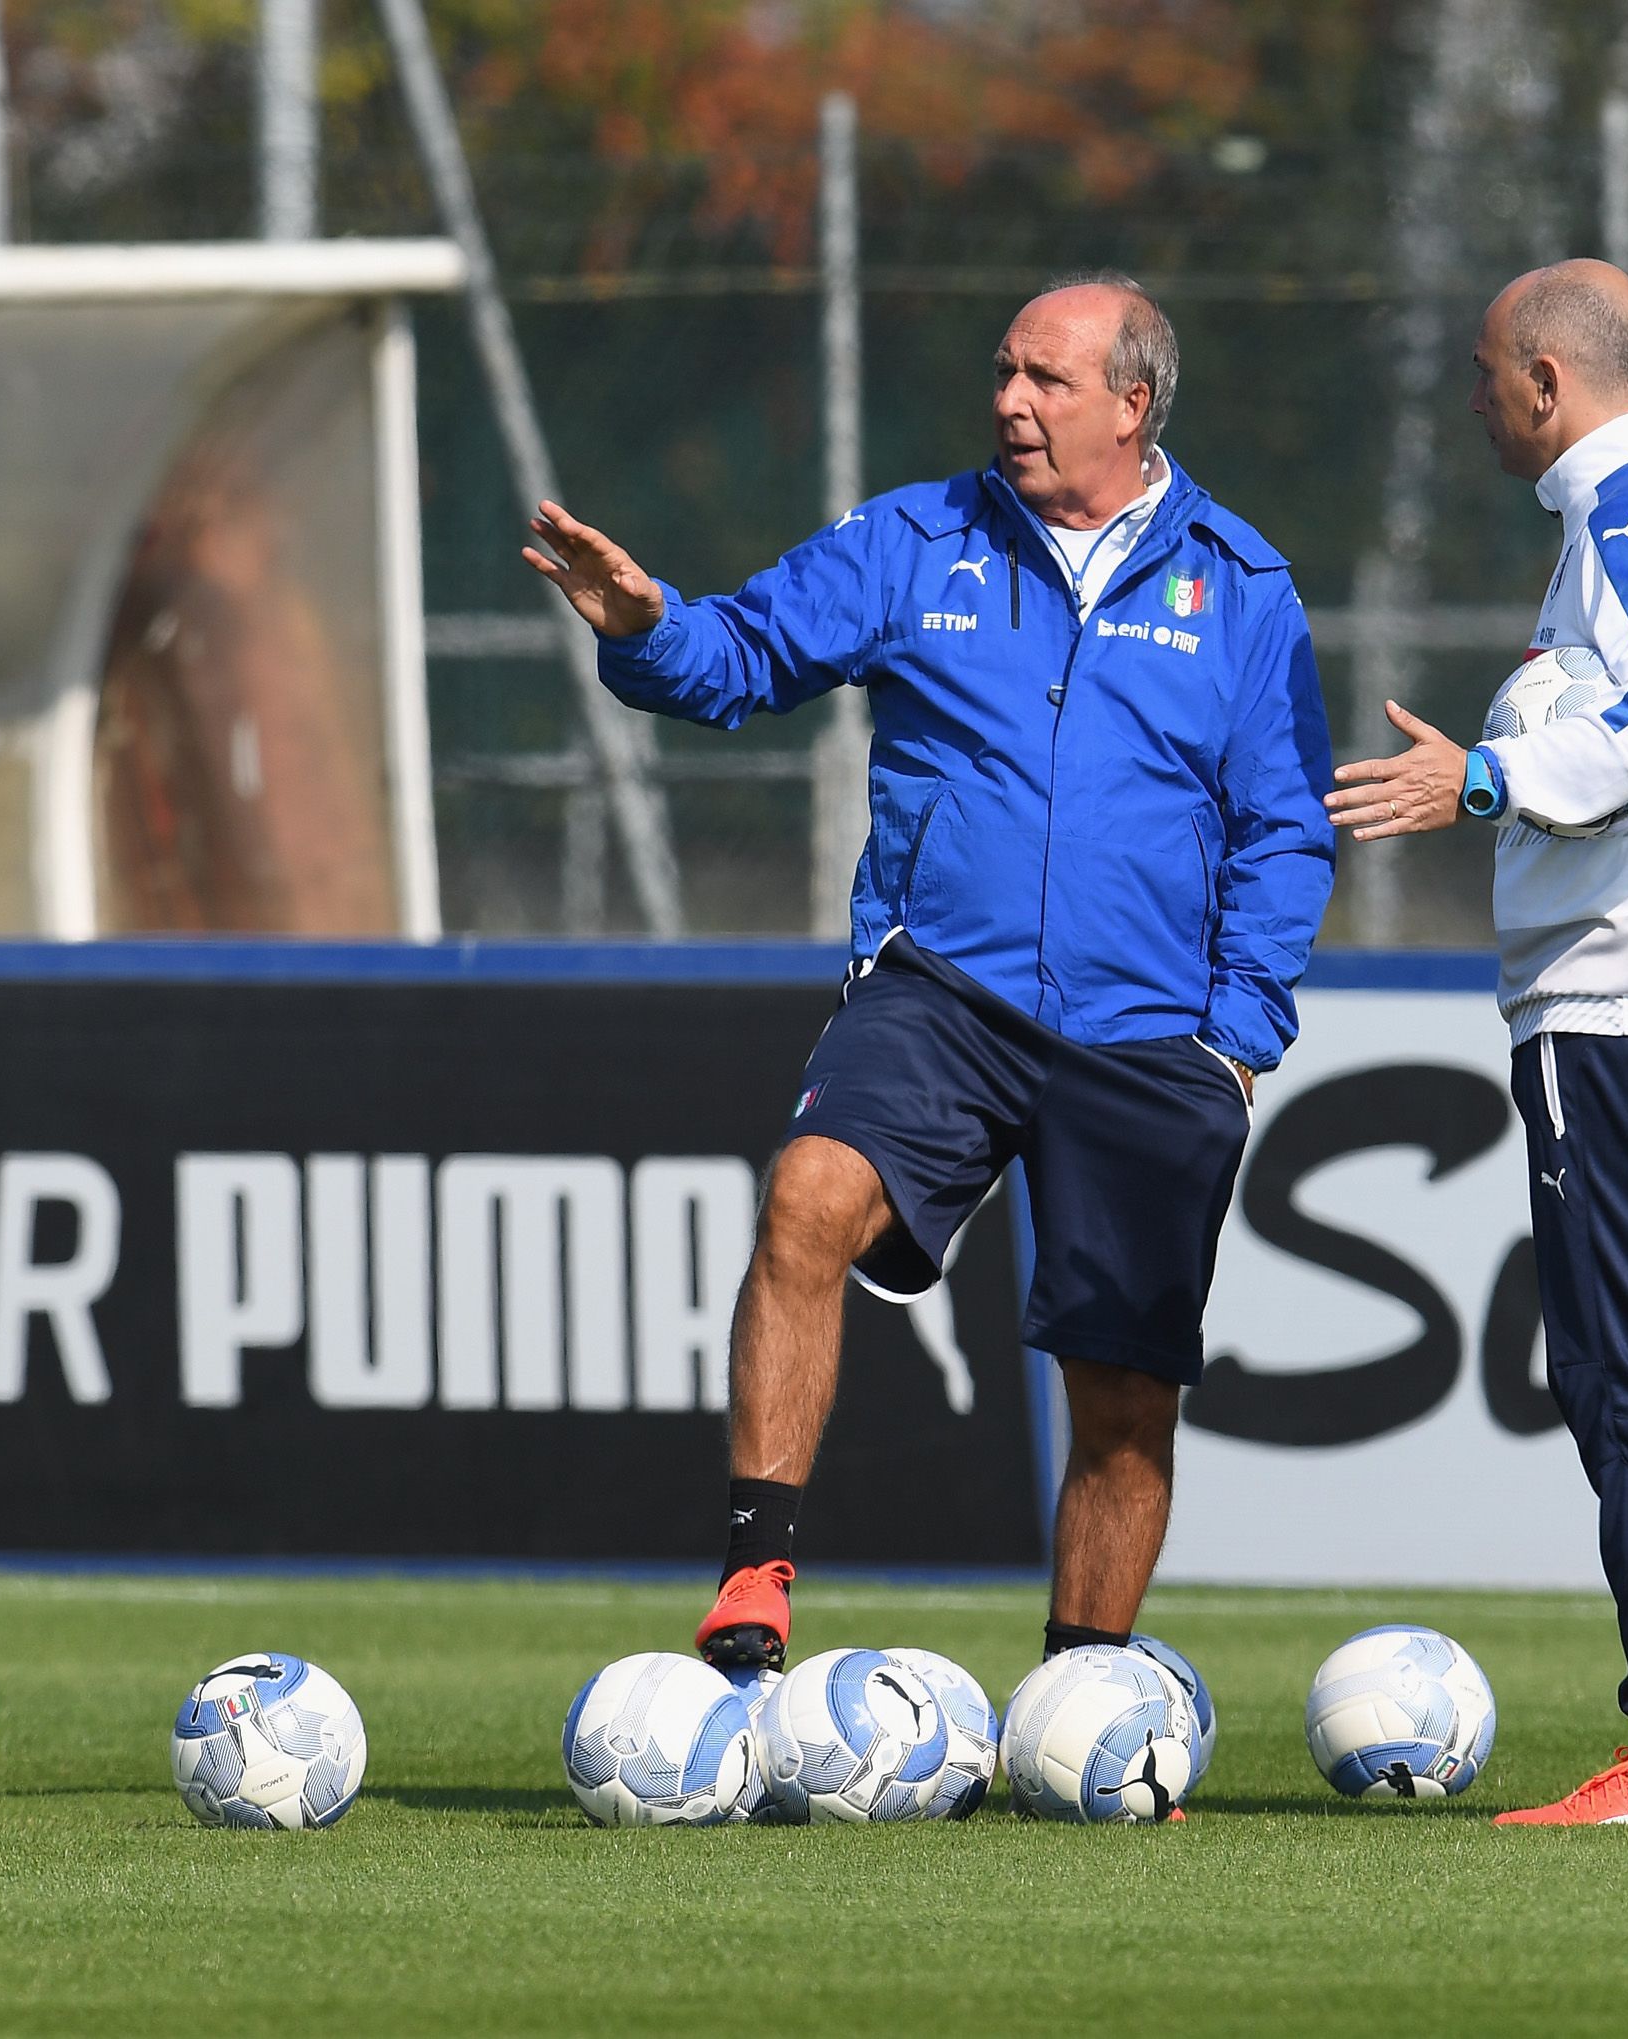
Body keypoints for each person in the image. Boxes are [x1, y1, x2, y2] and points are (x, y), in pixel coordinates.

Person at [524, 272, 1336, 1673]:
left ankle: (1083, 1691)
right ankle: (754, 1581)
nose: (1011, 403)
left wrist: (1238, 1039)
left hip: (1151, 1035)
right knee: (806, 1196)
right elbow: (745, 657)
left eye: (1049, 381)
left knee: (1125, 1398)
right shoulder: (915, 539)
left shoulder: (1244, 587)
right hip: (942, 991)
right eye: (1004, 374)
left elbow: (1286, 829)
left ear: (1133, 407)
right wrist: (646, 626)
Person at [1327, 259, 1628, 1825]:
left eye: (1483, 371)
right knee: (1612, 1381)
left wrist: (1490, 780)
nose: (1473, 399)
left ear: (1546, 379)